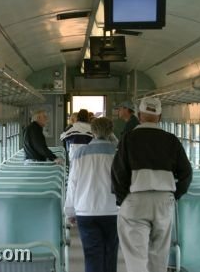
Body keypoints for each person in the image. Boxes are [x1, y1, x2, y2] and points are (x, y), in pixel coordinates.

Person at [111, 97, 192, 272]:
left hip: (135, 200)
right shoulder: (172, 141)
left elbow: (118, 172)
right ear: (160, 117)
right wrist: (174, 195)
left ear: (139, 116)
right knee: (159, 256)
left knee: (136, 258)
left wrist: (122, 199)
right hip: (164, 200)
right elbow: (186, 173)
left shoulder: (128, 139)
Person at [65, 117, 119, 272]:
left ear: (92, 132)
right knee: (110, 253)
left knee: (91, 254)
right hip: (112, 210)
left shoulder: (80, 153)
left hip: (85, 210)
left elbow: (73, 184)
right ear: (110, 131)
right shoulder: (117, 153)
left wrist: (70, 211)